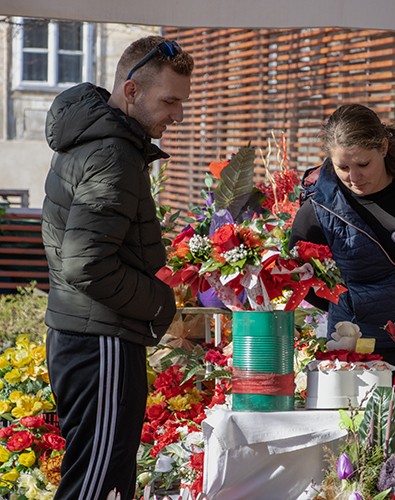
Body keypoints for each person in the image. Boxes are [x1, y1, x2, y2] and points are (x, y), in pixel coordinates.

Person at [41, 36, 192, 499]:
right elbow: (87, 264)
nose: (177, 115)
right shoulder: (114, 153)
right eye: (169, 101)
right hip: (99, 342)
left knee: (100, 480)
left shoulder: (97, 139)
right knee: (97, 487)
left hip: (86, 335)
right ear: (131, 91)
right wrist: (161, 302)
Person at [290, 104, 395, 405]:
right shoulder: (318, 208)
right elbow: (304, 277)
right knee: (363, 443)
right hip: (360, 348)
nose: (354, 176)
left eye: (363, 164)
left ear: (383, 147)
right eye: (343, 167)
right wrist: (348, 300)